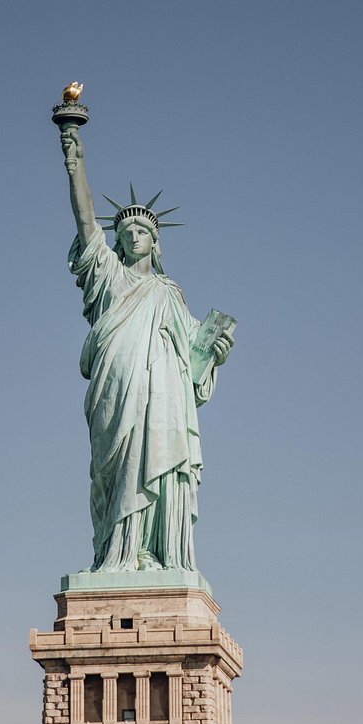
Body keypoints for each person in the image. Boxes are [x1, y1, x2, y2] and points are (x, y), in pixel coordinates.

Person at [61, 122, 233, 572]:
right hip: (116, 392)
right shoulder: (109, 279)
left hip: (163, 397)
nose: (133, 236)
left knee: (159, 461)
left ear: (155, 244)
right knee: (116, 469)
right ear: (116, 242)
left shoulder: (169, 294)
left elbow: (194, 358)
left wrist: (214, 348)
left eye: (142, 232)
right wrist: (75, 168)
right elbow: (85, 223)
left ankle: (157, 553)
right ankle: (116, 554)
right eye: (126, 231)